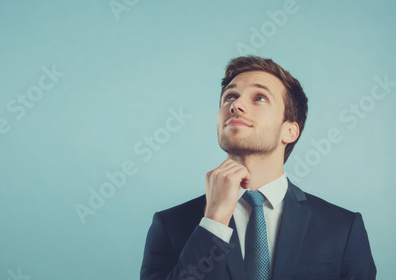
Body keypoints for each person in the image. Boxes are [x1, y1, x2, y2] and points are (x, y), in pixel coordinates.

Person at [140, 56, 376, 280]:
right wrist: (214, 222)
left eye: (259, 98)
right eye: (230, 97)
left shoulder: (343, 229)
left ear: (289, 131)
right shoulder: (170, 225)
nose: (236, 105)